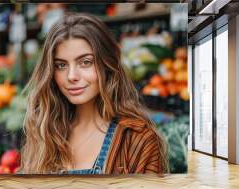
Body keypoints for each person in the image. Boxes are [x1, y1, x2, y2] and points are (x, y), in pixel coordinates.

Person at [20, 13, 168, 175]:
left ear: (107, 64)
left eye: (85, 62)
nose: (71, 76)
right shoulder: (44, 132)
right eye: (61, 65)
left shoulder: (138, 139)